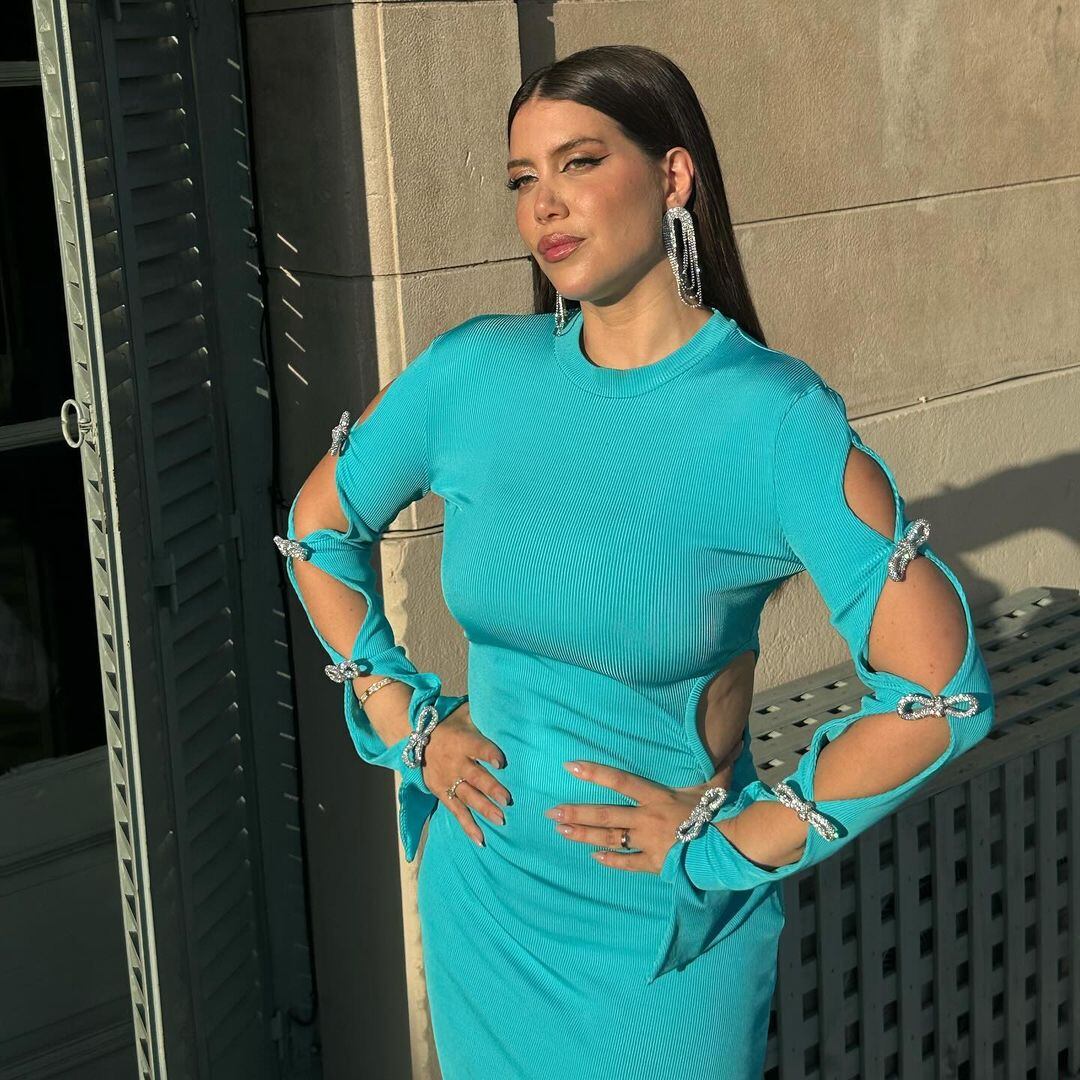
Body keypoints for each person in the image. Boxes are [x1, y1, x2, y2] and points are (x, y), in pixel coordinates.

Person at [274, 44, 995, 1080]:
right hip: (485, 901)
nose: (544, 204)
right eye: (522, 178)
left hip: (662, 939)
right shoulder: (475, 372)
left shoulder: (772, 419)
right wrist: (408, 725)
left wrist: (733, 844)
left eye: (579, 163)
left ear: (673, 176)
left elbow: (938, 697)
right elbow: (318, 529)